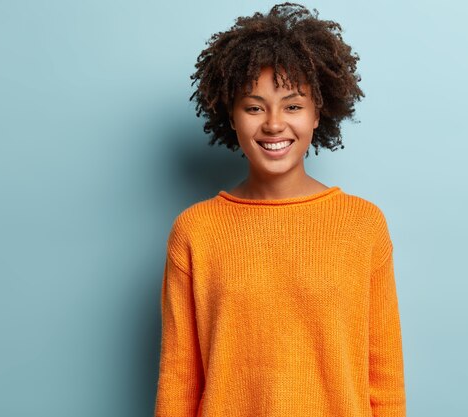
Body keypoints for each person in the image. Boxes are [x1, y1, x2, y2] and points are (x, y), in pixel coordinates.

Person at [154, 3, 406, 417]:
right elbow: (178, 385)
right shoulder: (195, 231)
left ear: (317, 113)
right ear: (230, 116)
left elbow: (385, 381)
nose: (273, 124)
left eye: (293, 106)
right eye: (254, 107)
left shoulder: (363, 225)